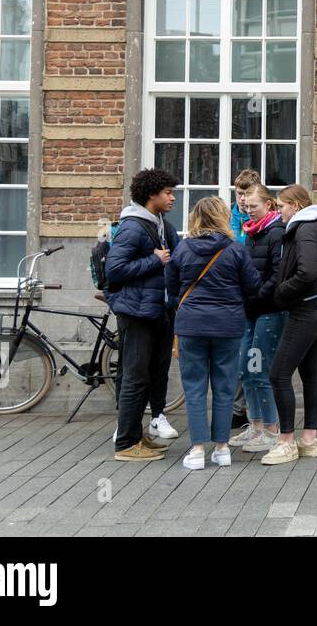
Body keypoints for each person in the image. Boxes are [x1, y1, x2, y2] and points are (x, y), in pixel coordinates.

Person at [165, 197, 260, 470]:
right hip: (228, 326)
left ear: (195, 217)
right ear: (222, 217)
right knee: (225, 386)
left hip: (191, 325)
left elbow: (171, 289)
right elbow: (252, 285)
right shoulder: (235, 250)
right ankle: (221, 448)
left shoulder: (183, 249)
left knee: (194, 387)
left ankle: (196, 450)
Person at [106, 169, 182, 462]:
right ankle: (126, 443)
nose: (173, 197)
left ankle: (138, 437)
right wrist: (154, 260)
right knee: (135, 377)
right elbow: (115, 270)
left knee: (150, 375)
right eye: (168, 192)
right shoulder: (133, 227)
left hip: (156, 310)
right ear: (152, 195)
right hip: (137, 313)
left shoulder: (159, 224)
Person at [262, 185, 317, 465]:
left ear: (295, 205)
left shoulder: (304, 230)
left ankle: (286, 442)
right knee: (310, 373)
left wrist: (282, 292)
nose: (278, 212)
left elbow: (307, 272)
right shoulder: (315, 226)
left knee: (278, 374)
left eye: (280, 206)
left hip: (308, 308)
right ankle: (309, 440)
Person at [229, 184, 287, 453]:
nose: (248, 210)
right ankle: (256, 425)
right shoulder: (252, 231)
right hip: (250, 310)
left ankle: (272, 430)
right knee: (245, 369)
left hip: (269, 311)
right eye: (245, 205)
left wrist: (254, 299)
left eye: (253, 206)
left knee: (259, 370)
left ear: (269, 205)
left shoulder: (276, 232)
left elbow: (277, 276)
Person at [227, 168, 261, 429]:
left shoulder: (260, 220)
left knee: (254, 354)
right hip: (232, 293)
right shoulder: (229, 218)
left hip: (253, 294)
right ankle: (238, 410)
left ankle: (256, 410)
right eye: (239, 193)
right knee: (237, 354)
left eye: (247, 193)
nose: (242, 198)